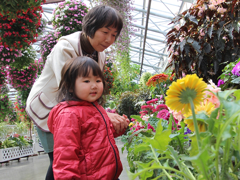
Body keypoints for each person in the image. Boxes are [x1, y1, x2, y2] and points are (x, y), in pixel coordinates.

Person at [25, 5, 129, 180]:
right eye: (105, 32)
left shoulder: (100, 54)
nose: (110, 39)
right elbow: (71, 90)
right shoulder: (65, 47)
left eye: (114, 35)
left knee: (78, 158)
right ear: (90, 27)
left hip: (75, 110)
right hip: (49, 108)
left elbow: (90, 90)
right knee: (59, 161)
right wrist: (104, 114)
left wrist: (108, 116)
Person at [48, 56, 125, 179]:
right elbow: (65, 158)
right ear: (70, 86)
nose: (94, 85)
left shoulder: (95, 108)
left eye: (98, 80)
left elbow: (100, 133)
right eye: (86, 81)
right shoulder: (69, 115)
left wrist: (121, 126)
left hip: (108, 175)